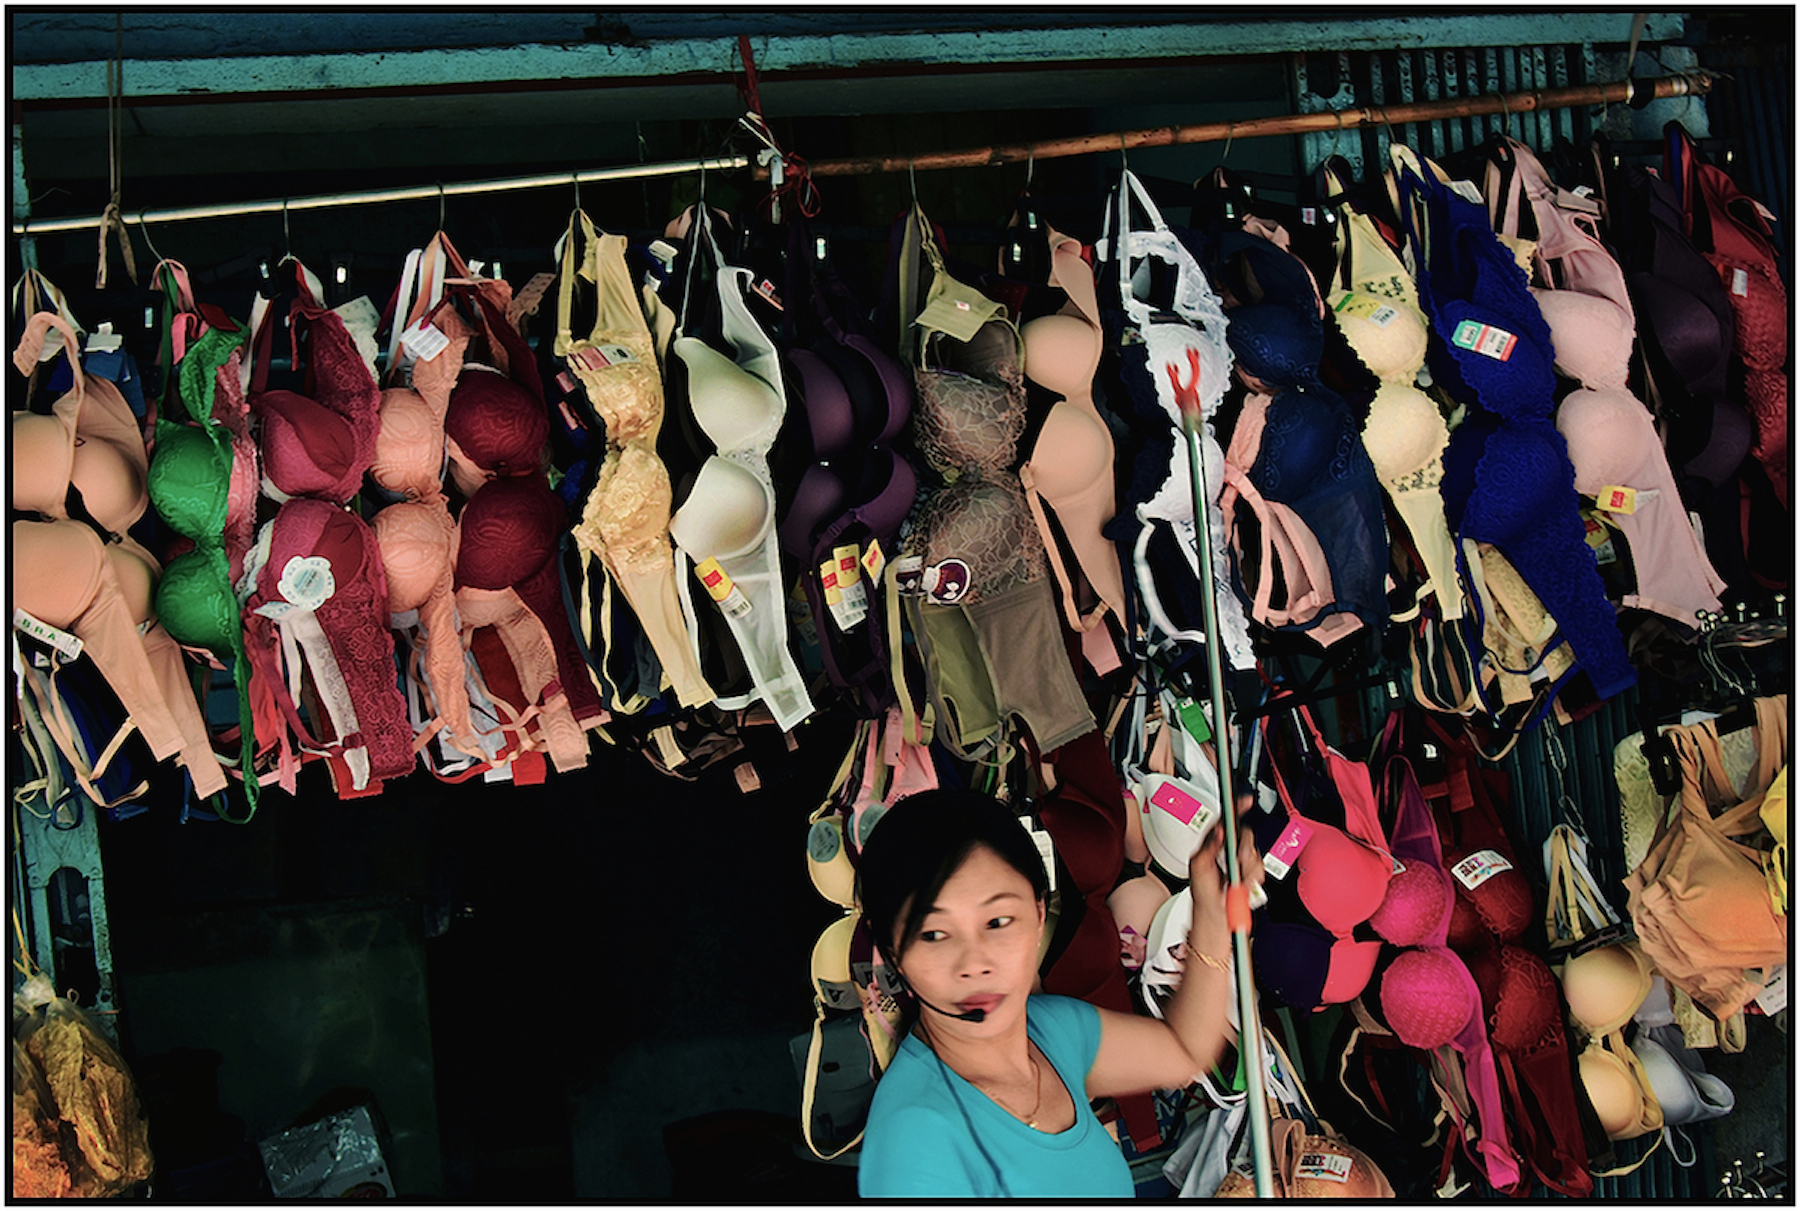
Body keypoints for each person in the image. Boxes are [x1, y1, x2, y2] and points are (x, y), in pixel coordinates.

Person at [855, 788, 1259, 1198]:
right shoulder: (914, 1150)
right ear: (893, 953)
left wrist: (1209, 905)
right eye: (935, 934)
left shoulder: (1050, 1032)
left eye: (997, 921)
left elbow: (1183, 1051)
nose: (974, 964)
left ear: (1038, 915)